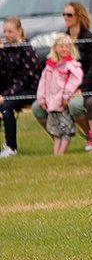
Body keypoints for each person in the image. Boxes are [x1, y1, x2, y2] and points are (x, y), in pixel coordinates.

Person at [31, 2, 92, 137]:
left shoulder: (90, 40)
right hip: (59, 89)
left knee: (75, 105)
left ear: (79, 16)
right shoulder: (63, 39)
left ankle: (91, 137)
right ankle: (59, 138)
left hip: (86, 88)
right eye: (64, 14)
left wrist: (80, 88)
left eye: (69, 14)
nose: (65, 17)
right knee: (37, 108)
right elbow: (52, 63)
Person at [0, 17, 40, 158]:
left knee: (6, 106)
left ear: (19, 31)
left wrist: (5, 95)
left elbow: (24, 80)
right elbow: (3, 74)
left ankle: (11, 147)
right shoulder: (6, 49)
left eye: (10, 31)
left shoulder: (27, 50)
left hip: (30, 90)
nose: (6, 34)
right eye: (4, 31)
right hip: (12, 90)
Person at [37, 34, 83, 156]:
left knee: (66, 129)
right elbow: (43, 83)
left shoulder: (71, 65)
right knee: (55, 130)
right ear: (55, 48)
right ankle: (56, 154)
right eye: (61, 46)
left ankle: (61, 153)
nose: (64, 49)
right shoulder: (49, 66)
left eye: (67, 47)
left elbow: (75, 80)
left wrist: (66, 96)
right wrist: (41, 98)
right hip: (51, 104)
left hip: (63, 103)